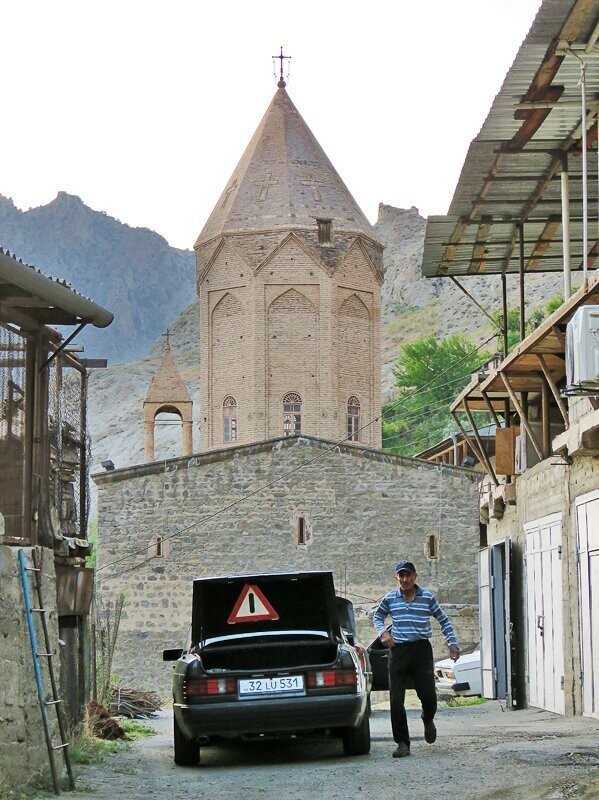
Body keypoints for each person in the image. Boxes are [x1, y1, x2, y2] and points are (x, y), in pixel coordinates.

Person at [373, 560, 460, 758]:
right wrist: (382, 634)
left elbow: (443, 620)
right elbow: (377, 617)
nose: (404, 579)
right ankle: (402, 743)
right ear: (397, 578)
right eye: (401, 576)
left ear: (415, 576)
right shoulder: (390, 598)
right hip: (398, 651)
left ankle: (427, 718)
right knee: (396, 700)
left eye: (408, 575)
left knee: (428, 696)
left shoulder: (427, 597)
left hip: (421, 650)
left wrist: (452, 643)